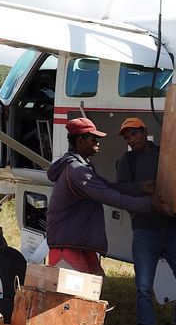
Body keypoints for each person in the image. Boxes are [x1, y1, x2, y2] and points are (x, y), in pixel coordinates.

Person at [115, 117, 176, 325]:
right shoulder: (127, 162)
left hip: (173, 228)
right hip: (145, 230)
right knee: (143, 286)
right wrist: (142, 187)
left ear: (145, 132)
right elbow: (119, 190)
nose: (132, 139)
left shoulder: (165, 154)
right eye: (127, 136)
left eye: (134, 134)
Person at [46, 117, 164, 275]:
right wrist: (150, 204)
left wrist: (141, 187)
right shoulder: (78, 171)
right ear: (80, 141)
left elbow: (107, 186)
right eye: (94, 139)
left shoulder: (82, 166)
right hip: (68, 245)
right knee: (76, 296)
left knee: (94, 287)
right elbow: (111, 197)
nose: (98, 142)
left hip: (76, 242)